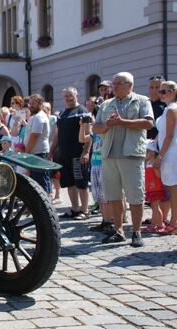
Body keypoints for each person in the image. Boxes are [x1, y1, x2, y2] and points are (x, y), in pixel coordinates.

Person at [93, 72, 154, 247]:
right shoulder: (106, 104)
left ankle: (136, 232)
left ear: (130, 85)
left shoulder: (142, 101)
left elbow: (148, 123)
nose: (115, 86)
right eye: (114, 83)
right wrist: (107, 125)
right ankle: (118, 230)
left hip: (131, 154)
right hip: (109, 154)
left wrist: (122, 122)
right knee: (113, 196)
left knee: (135, 195)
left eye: (120, 83)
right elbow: (96, 128)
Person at [51, 87, 91, 220]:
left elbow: (89, 134)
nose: (68, 98)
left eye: (70, 95)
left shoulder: (83, 112)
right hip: (64, 154)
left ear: (76, 95)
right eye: (65, 96)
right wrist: (51, 152)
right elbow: (57, 135)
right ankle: (74, 208)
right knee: (69, 183)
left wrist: (86, 152)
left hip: (78, 154)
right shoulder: (62, 113)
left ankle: (85, 210)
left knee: (81, 183)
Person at [153, 80, 177, 234]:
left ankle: (174, 222)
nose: (159, 94)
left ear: (173, 92)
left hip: (171, 153)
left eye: (163, 91)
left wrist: (159, 157)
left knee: (174, 190)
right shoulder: (168, 109)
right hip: (169, 151)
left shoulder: (171, 110)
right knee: (172, 190)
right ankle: (174, 221)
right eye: (159, 91)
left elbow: (169, 136)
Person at [24, 94, 51, 193]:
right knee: (36, 181)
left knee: (40, 181)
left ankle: (44, 206)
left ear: (40, 103)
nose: (30, 105)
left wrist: (27, 152)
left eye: (33, 103)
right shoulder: (35, 116)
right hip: (35, 153)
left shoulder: (39, 117)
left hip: (38, 153)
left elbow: (35, 136)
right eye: (29, 103)